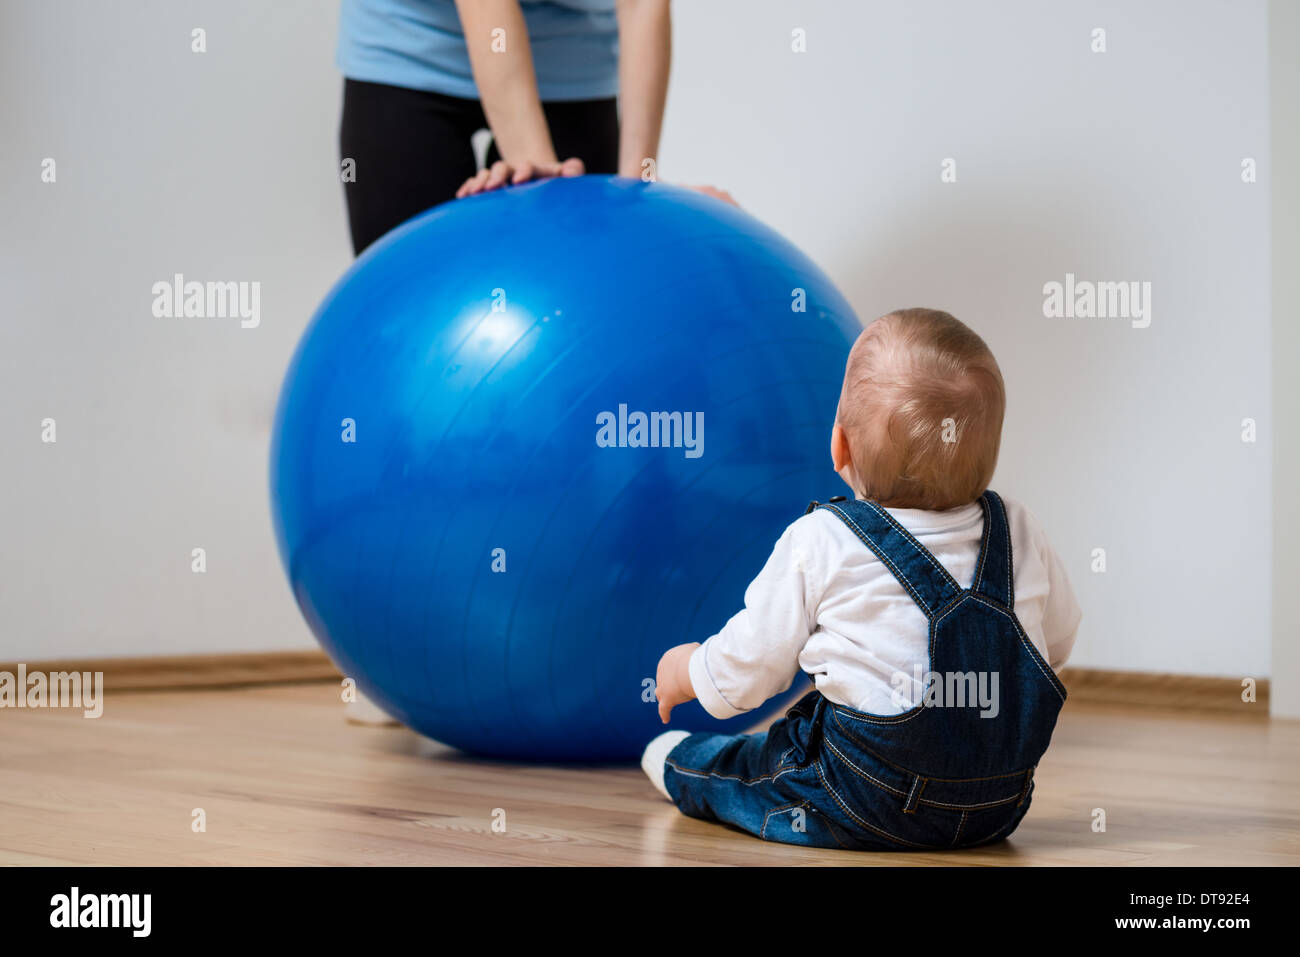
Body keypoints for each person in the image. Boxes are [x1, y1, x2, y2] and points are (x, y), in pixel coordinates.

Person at [643, 308, 1082, 850]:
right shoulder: (1017, 529)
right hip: (999, 804)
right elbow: (1056, 641)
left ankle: (676, 763)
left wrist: (688, 670)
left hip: (865, 799)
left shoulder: (823, 539)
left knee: (753, 768)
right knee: (822, 714)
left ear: (840, 447)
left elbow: (750, 668)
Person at [337, 0, 671, 254]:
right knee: (405, 289)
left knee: (568, 277)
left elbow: (643, 4)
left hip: (569, 56)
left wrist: (637, 183)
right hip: (409, 40)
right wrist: (538, 178)